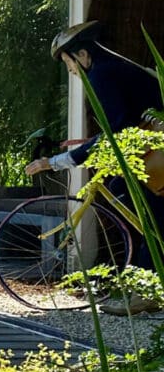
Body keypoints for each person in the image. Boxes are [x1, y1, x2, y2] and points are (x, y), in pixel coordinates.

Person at [24, 20, 163, 313]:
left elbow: (117, 130)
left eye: (68, 63)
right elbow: (126, 124)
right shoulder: (117, 68)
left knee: (151, 218)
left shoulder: (101, 74)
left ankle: (146, 291)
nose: (71, 72)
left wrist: (56, 162)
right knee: (122, 189)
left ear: (83, 55)